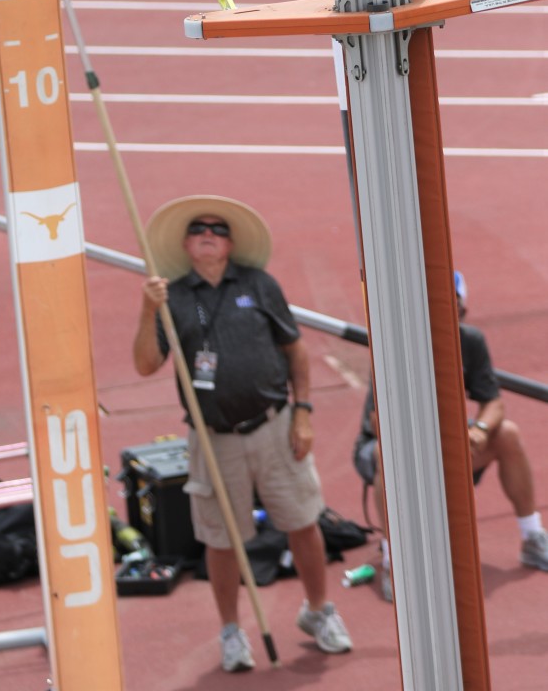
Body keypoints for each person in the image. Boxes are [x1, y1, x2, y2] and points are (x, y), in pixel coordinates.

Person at [132, 195, 352, 673]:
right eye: (198, 228)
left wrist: (303, 413)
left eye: (218, 229)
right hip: (213, 437)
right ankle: (231, 631)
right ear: (186, 244)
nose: (208, 234)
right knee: (221, 538)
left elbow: (295, 350)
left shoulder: (259, 284)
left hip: (273, 426)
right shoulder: (172, 298)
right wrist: (148, 310)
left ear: (231, 244)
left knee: (303, 521)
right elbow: (146, 364)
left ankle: (318, 611)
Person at [353, 271, 548, 603]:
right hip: (394, 444)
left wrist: (480, 429)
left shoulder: (469, 341)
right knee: (387, 453)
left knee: (507, 433)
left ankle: (532, 536)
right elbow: (379, 420)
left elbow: (493, 402)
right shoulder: (395, 343)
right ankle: (393, 561)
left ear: (462, 310)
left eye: (450, 302)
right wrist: (429, 445)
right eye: (433, 302)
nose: (441, 309)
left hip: (448, 440)